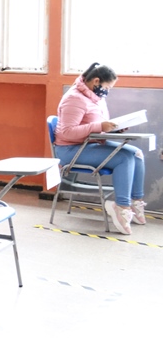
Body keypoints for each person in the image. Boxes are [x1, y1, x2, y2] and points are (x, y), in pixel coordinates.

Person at [54, 62, 146, 235]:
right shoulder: (74, 99)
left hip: (91, 144)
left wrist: (114, 127)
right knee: (124, 158)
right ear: (96, 81)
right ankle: (121, 206)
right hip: (70, 150)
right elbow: (67, 133)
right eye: (107, 87)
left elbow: (97, 125)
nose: (107, 91)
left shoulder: (96, 98)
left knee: (136, 154)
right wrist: (99, 126)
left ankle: (136, 200)